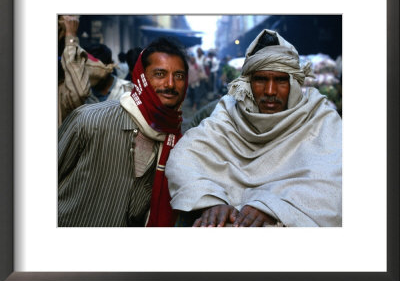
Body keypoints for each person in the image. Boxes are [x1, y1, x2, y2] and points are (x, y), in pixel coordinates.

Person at [165, 29, 342, 227]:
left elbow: (334, 181)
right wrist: (210, 200)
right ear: (249, 83)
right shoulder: (230, 111)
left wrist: (276, 207)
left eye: (281, 80)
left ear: (294, 83)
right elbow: (185, 157)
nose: (270, 91)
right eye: (261, 80)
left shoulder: (318, 115)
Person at [58, 37, 188, 227]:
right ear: (141, 77)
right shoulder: (89, 120)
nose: (170, 84)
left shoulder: (178, 143)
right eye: (160, 74)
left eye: (179, 76)